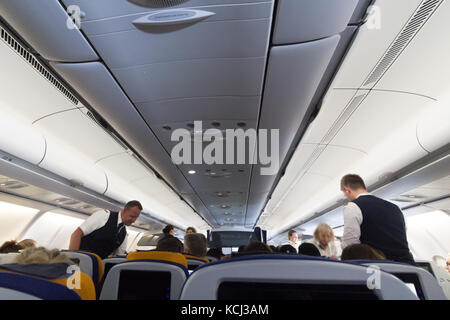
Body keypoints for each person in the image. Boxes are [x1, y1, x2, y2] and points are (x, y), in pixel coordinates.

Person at [340, 174, 415, 264]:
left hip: (379, 269)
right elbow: (401, 235)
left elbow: (350, 245)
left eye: (345, 194)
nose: (346, 197)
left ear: (347, 190)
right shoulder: (396, 207)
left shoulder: (352, 207)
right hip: (408, 267)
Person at [69, 200, 142, 259]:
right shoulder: (104, 216)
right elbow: (77, 234)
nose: (134, 220)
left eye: (136, 217)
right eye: (132, 216)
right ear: (125, 210)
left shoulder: (124, 235)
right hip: (80, 261)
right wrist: (72, 261)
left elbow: (118, 257)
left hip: (98, 268)